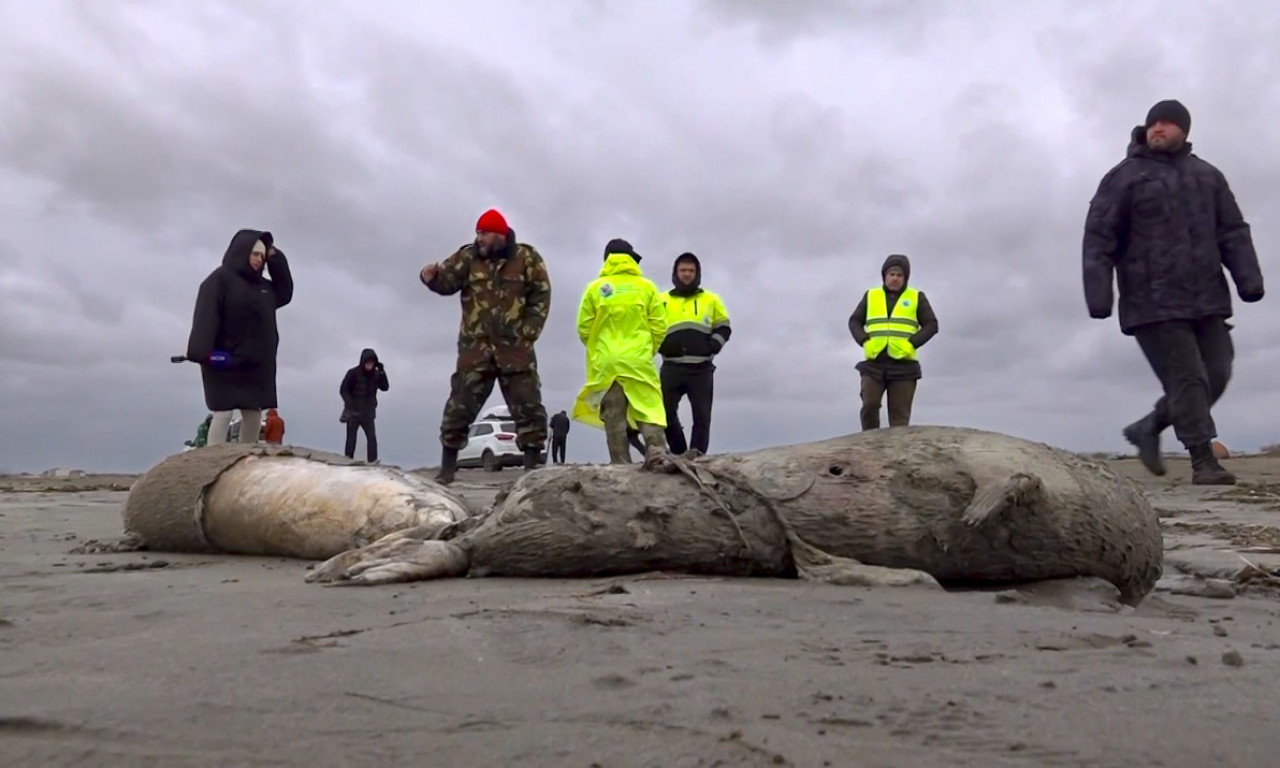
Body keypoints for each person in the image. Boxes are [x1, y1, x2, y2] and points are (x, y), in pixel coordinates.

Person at [1083, 99, 1264, 485]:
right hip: (1152, 301)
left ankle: (1149, 426)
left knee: (1217, 373)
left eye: (1167, 123)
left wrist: (1249, 279)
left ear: (1184, 130)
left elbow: (1232, 230)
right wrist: (1099, 295)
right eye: (1153, 124)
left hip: (1207, 299)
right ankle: (1203, 460)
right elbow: (1099, 237)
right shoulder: (1125, 178)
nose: (1157, 129)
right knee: (1188, 379)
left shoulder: (1208, 176)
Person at [420, 208, 551, 484]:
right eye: (477, 232)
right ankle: (447, 469)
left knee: (528, 404)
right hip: (475, 347)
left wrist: (528, 332)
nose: (479, 238)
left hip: (515, 347)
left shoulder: (527, 258)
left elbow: (541, 293)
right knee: (460, 404)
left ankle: (531, 466)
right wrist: (430, 278)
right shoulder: (467, 257)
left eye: (484, 233)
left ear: (500, 234)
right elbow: (447, 282)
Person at [186, 230, 293, 445]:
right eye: (255, 254)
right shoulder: (218, 280)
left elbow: (285, 292)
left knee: (253, 414)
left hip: (255, 364)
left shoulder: (264, 288)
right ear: (241, 251)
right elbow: (205, 317)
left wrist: (275, 256)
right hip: (223, 361)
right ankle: (213, 459)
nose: (258, 260)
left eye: (262, 256)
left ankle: (246, 458)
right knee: (223, 412)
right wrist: (204, 353)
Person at [572, 239, 668, 463]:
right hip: (638, 359)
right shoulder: (647, 287)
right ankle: (660, 458)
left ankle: (620, 465)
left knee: (614, 417)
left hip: (607, 363)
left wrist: (600, 350)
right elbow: (660, 326)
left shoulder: (595, 288)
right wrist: (646, 349)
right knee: (649, 409)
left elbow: (583, 328)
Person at [846, 254, 939, 430]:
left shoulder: (916, 297)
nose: (895, 278)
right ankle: (869, 443)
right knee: (870, 405)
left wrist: (911, 343)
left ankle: (896, 454)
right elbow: (854, 321)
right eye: (891, 274)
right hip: (874, 362)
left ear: (905, 278)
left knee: (899, 418)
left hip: (904, 365)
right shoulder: (871, 295)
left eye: (899, 275)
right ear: (884, 276)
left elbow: (932, 325)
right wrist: (864, 341)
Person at [657, 251, 731, 457]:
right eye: (683, 270)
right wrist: (661, 346)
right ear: (675, 273)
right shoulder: (661, 300)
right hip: (671, 368)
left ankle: (697, 456)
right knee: (664, 414)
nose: (687, 274)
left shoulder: (711, 299)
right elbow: (649, 328)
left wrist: (713, 346)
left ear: (697, 273)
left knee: (702, 417)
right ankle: (680, 452)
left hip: (701, 369)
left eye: (691, 270)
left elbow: (724, 327)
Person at [339, 348, 389, 463]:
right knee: (351, 439)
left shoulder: (376, 375)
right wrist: (349, 403)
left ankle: (373, 462)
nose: (369, 365)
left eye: (372, 362)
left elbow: (385, 387)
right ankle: (347, 460)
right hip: (353, 412)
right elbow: (343, 390)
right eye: (367, 362)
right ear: (363, 361)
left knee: (371, 439)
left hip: (368, 413)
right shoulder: (353, 373)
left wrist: (382, 372)